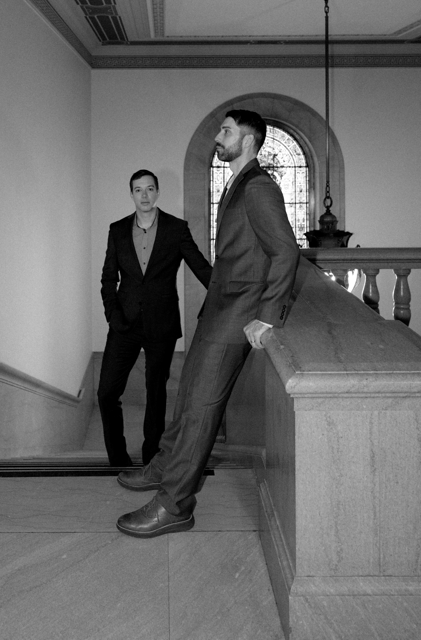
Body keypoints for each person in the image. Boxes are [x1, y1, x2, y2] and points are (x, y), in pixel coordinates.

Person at [116, 110, 299, 538]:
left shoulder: (258, 187)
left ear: (250, 140)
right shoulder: (236, 185)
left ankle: (175, 503)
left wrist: (267, 317)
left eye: (227, 131)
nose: (218, 136)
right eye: (220, 130)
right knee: (188, 399)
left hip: (238, 315)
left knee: (201, 410)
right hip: (218, 311)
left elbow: (286, 251)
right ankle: (164, 466)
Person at [98, 170, 211, 467]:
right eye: (138, 190)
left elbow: (200, 266)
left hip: (161, 323)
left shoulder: (176, 229)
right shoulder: (118, 230)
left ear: (158, 192)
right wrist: (113, 315)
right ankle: (118, 459)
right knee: (106, 392)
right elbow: (108, 278)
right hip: (124, 323)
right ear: (132, 194)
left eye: (150, 189)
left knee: (156, 393)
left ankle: (152, 459)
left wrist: (229, 292)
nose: (144, 195)